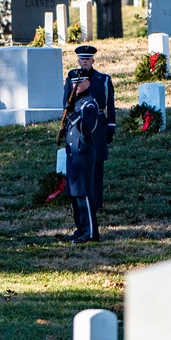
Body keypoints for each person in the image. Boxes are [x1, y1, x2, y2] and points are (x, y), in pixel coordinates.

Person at [63, 45, 116, 240]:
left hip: (97, 127)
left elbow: (109, 104)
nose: (84, 61)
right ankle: (83, 225)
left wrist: (111, 127)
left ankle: (93, 211)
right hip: (76, 136)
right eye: (81, 59)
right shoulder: (71, 80)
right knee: (79, 184)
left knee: (95, 173)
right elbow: (67, 107)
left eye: (87, 59)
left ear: (92, 60)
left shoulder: (102, 79)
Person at [61, 68, 99, 244]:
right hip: (73, 152)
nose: (75, 86)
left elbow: (86, 129)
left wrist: (72, 115)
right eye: (73, 83)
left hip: (83, 152)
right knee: (74, 193)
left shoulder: (89, 104)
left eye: (79, 82)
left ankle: (90, 232)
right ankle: (80, 228)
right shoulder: (75, 103)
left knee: (83, 193)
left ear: (88, 83)